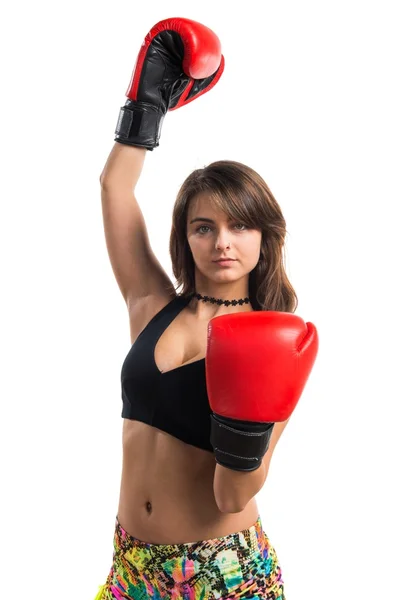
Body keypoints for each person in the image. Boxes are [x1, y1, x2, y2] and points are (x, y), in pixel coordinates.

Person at [96, 17, 318, 600]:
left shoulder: (277, 343)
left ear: (264, 238)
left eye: (240, 225)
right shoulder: (151, 305)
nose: (223, 241)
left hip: (223, 574)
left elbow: (233, 497)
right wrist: (147, 106)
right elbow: (115, 190)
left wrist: (247, 420)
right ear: (186, 239)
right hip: (132, 565)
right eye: (205, 226)